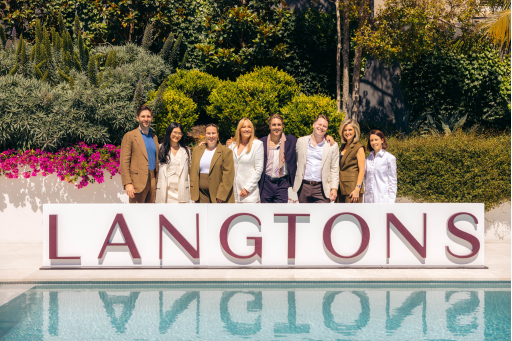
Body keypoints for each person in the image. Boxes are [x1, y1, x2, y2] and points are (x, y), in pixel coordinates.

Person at [293, 114, 339, 203]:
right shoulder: (300, 141)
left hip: (322, 188)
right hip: (303, 187)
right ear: (314, 124)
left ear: (327, 129)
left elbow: (334, 169)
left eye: (324, 126)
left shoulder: (332, 146)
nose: (321, 127)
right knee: (304, 216)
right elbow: (295, 160)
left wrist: (334, 188)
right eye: (319, 124)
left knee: (323, 216)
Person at [120, 104, 159, 203]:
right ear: (137, 118)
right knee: (136, 214)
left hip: (153, 180)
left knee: (150, 213)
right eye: (143, 116)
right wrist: (128, 183)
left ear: (151, 118)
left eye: (148, 116)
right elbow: (124, 162)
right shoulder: (130, 136)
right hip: (137, 182)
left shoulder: (154, 137)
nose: (146, 119)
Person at [190, 124, 235, 203]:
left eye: (213, 133)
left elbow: (228, 175)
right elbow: (193, 172)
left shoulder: (226, 151)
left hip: (218, 195)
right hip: (200, 194)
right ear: (205, 135)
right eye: (208, 133)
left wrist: (222, 194)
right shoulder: (197, 150)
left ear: (217, 135)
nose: (211, 136)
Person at [258, 114, 298, 203]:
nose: (276, 127)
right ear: (269, 126)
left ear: (282, 126)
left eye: (279, 125)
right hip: (266, 183)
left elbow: (307, 141)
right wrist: (233, 141)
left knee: (280, 213)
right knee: (265, 212)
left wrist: (326, 136)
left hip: (282, 184)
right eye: (274, 125)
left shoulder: (290, 140)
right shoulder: (262, 142)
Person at [228, 118, 264, 203]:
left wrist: (248, 188)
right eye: (244, 127)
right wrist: (205, 145)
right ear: (239, 129)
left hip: (249, 194)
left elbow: (259, 169)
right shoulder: (232, 144)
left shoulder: (257, 144)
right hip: (233, 193)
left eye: (249, 127)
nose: (247, 129)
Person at [155, 122, 191, 203]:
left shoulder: (186, 150)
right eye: (174, 132)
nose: (177, 135)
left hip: (181, 190)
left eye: (180, 133)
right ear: (169, 132)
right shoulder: (160, 148)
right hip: (165, 190)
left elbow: (190, 170)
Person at [364, 130, 397, 203]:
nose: (374, 142)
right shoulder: (367, 159)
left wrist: (391, 201)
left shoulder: (389, 158)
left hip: (382, 200)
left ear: (382, 140)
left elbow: (393, 182)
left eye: (376, 140)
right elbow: (364, 179)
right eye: (371, 140)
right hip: (368, 200)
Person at [338, 119, 365, 203]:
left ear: (355, 131)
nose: (347, 132)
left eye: (350, 130)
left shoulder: (359, 147)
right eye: (345, 130)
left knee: (351, 215)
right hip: (340, 187)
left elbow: (362, 170)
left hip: (352, 189)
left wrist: (357, 189)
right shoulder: (342, 146)